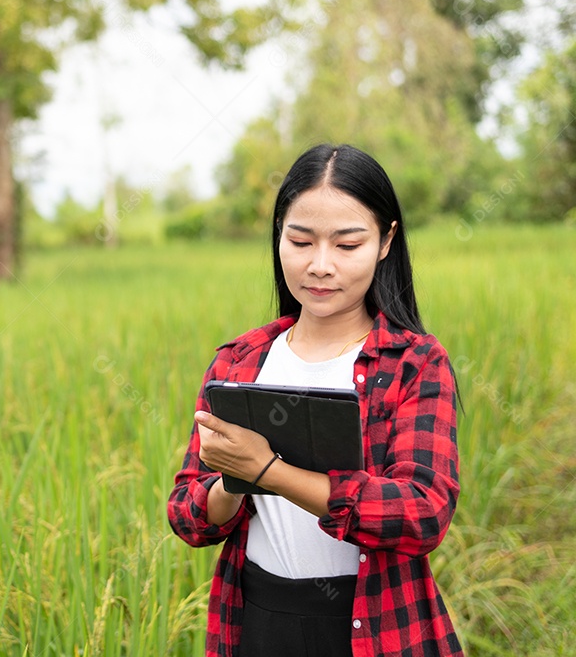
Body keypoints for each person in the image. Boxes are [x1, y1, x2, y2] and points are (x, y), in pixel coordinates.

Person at [167, 144, 462, 657]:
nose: (320, 266)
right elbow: (187, 516)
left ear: (387, 241)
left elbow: (422, 512)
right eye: (300, 241)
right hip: (258, 617)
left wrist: (268, 472)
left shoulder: (413, 364)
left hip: (372, 621)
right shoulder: (240, 362)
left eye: (347, 245)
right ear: (279, 234)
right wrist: (231, 481)